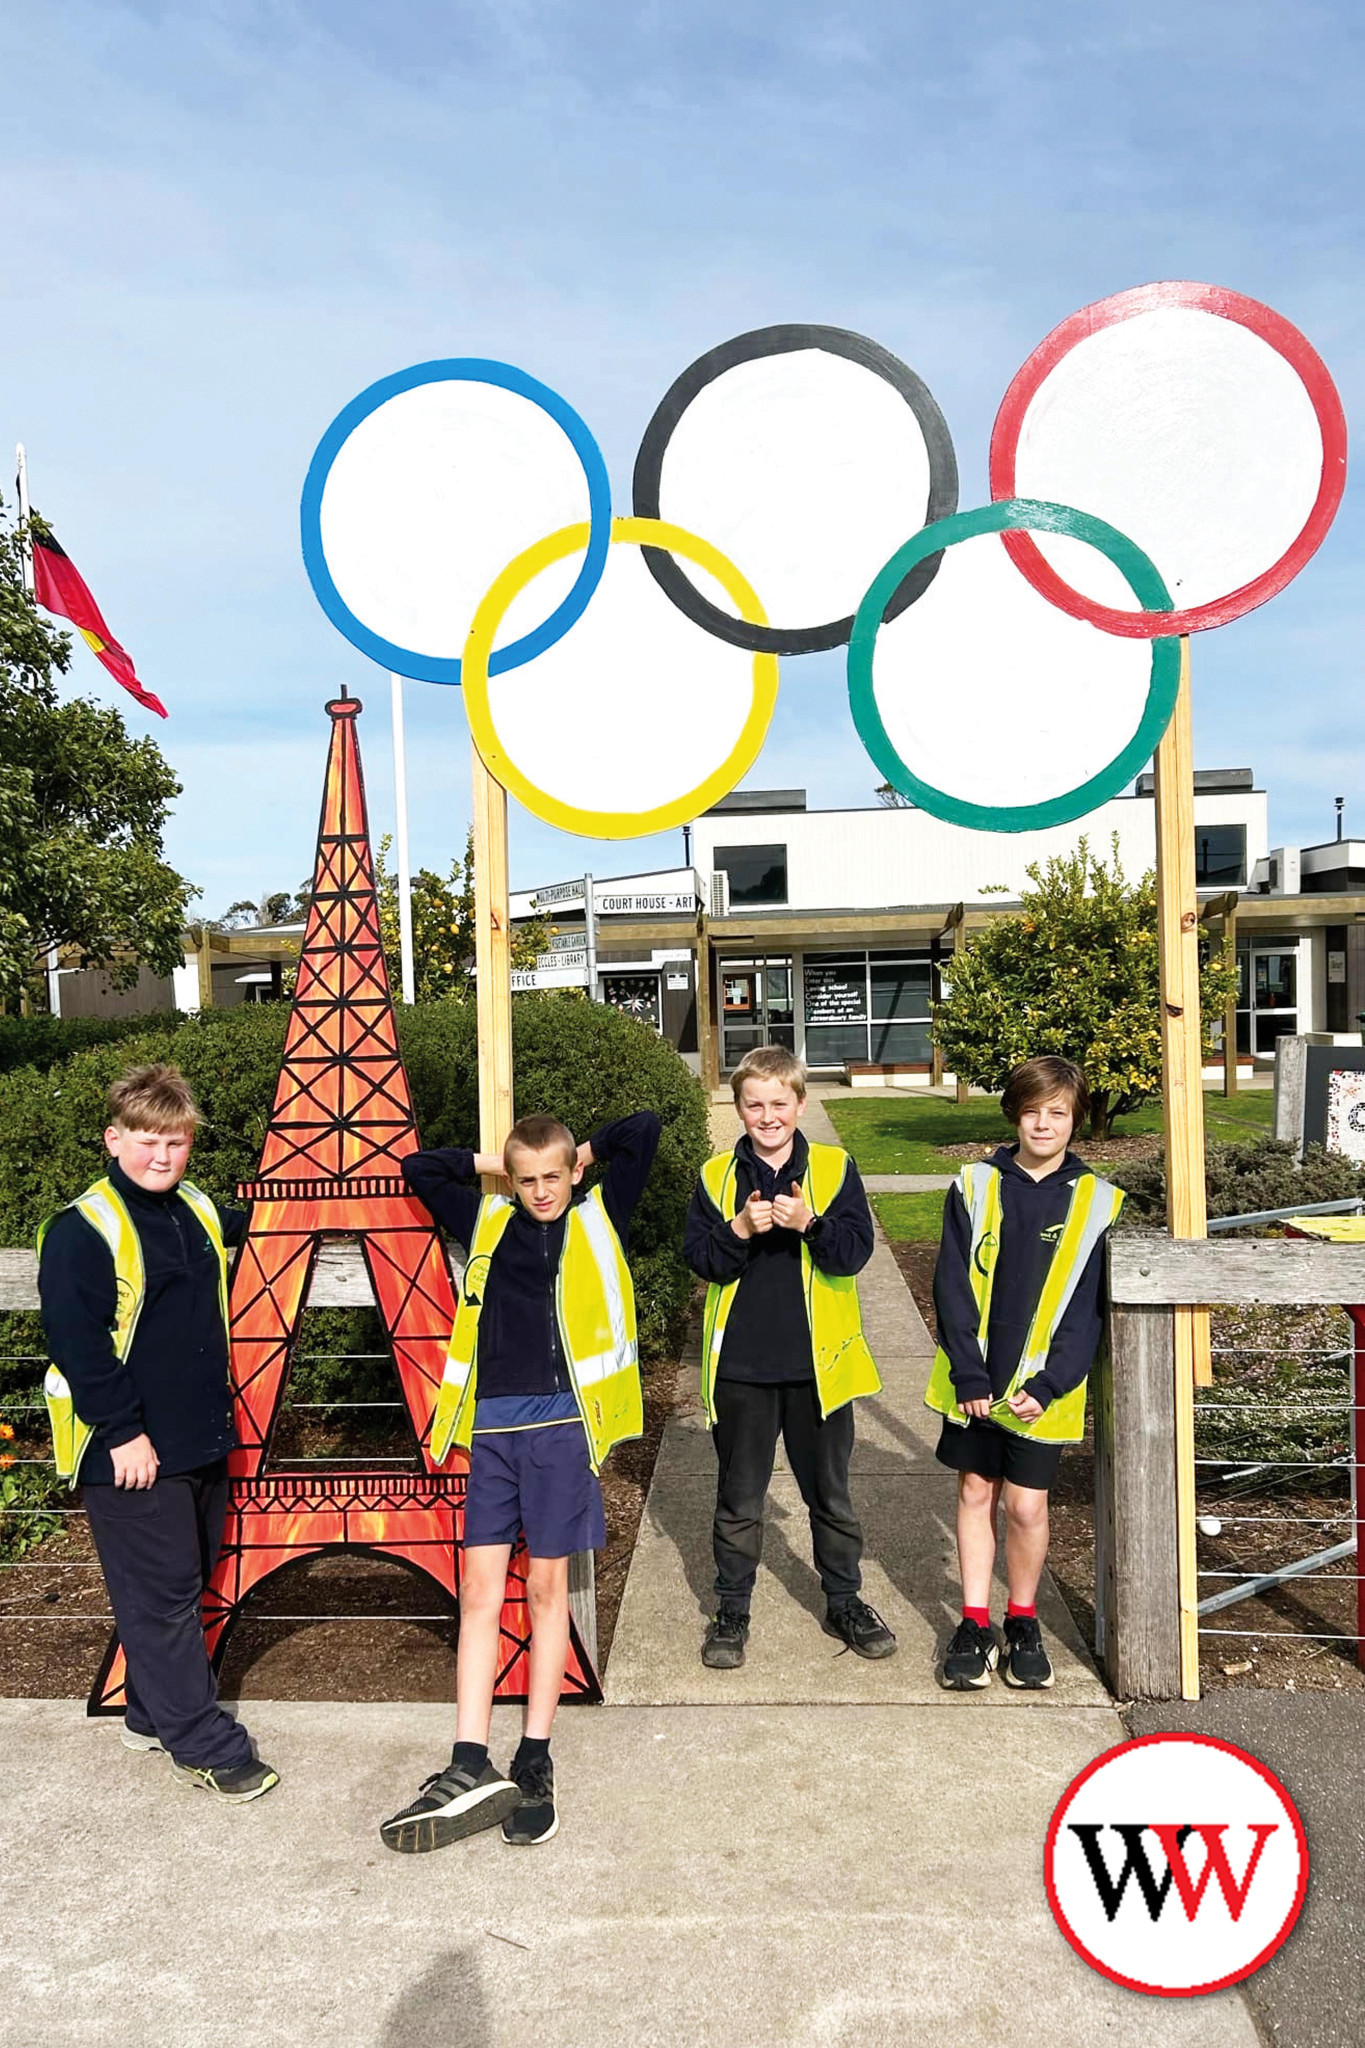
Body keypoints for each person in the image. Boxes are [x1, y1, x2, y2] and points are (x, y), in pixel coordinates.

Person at [381, 1108, 660, 1852]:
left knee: (544, 1593)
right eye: (526, 1179)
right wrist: (493, 1165)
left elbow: (646, 1127)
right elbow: (420, 1168)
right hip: (492, 1432)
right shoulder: (488, 1220)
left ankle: (533, 1759)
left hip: (563, 1429)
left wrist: (582, 1152)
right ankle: (467, 1760)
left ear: (573, 1173)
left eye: (552, 1177)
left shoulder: (602, 1213)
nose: (540, 1192)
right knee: (476, 1592)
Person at [37, 1063, 278, 1802]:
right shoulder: (84, 1229)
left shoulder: (196, 1207)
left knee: (183, 1584)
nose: (162, 1156)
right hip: (131, 1450)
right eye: (147, 1141)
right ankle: (203, 1743)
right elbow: (77, 1342)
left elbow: (261, 1225)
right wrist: (121, 1434)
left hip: (201, 1436)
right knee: (166, 1595)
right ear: (114, 1140)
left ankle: (148, 1713)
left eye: (175, 1143)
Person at [683, 1045, 894, 1668]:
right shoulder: (715, 1177)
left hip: (818, 1370)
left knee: (830, 1497)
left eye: (779, 1103)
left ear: (801, 1104)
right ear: (739, 1107)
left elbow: (853, 1253)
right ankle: (731, 1609)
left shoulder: (833, 1167)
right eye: (755, 1105)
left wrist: (809, 1223)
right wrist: (741, 1231)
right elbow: (702, 1260)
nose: (767, 1116)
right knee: (739, 1500)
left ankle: (844, 1599)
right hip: (742, 1370)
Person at [928, 1055, 1124, 1691]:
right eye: (1033, 1111)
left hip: (1047, 1389)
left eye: (1058, 1113)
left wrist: (1047, 1386)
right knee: (975, 1494)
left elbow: (1088, 1309)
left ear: (1076, 1120)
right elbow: (952, 1285)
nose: (1044, 1124)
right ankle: (975, 1622)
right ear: (1015, 1113)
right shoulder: (976, 1184)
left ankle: (1023, 1620)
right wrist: (968, 1374)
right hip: (976, 1383)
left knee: (1026, 1506)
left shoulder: (1096, 1201)